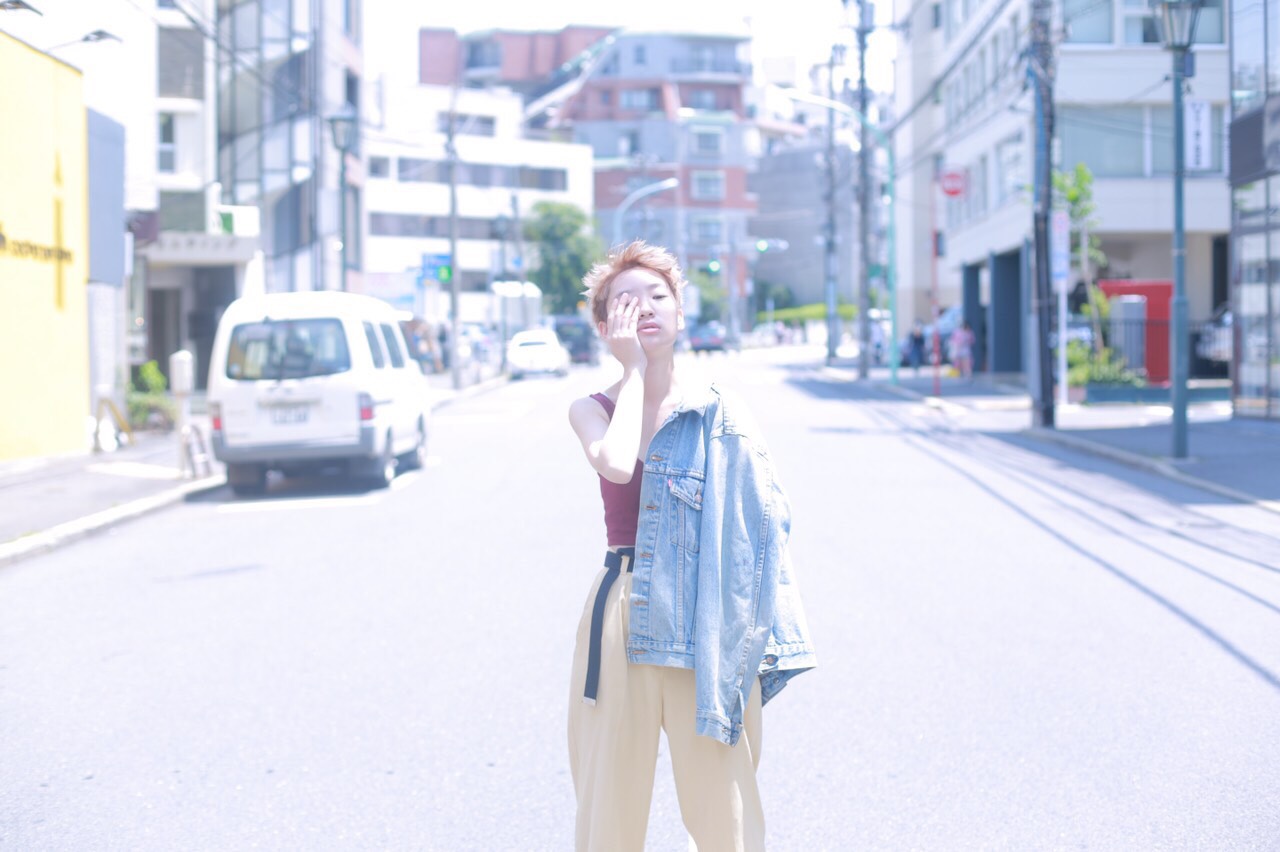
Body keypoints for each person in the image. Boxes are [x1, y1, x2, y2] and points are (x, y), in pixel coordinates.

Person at [566, 241, 815, 852]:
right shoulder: (591, 409)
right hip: (622, 607)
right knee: (609, 802)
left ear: (680, 312)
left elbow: (762, 529)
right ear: (604, 324)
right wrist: (631, 371)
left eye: (658, 296)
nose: (644, 308)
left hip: (706, 612)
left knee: (723, 805)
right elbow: (617, 464)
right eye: (625, 301)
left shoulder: (720, 413)